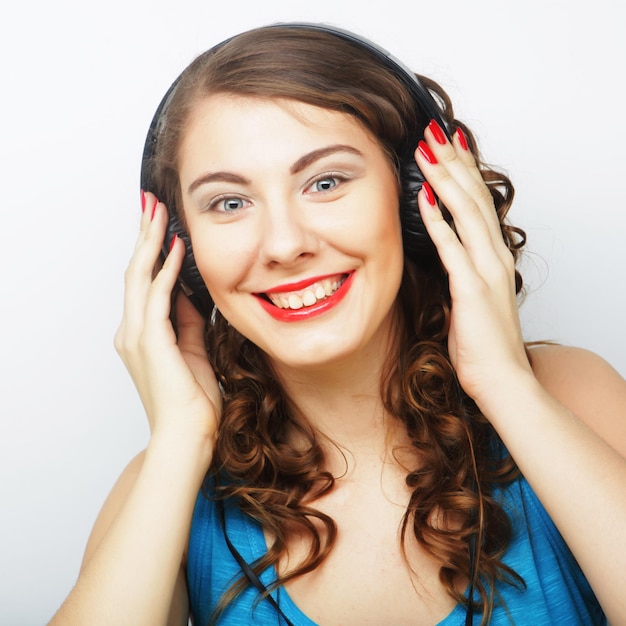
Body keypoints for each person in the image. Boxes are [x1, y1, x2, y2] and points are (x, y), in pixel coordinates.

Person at [49, 23, 626, 626]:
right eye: (229, 202)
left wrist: (502, 384)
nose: (284, 244)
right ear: (183, 253)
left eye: (326, 182)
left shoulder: (571, 396)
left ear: (418, 198)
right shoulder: (165, 483)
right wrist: (181, 441)